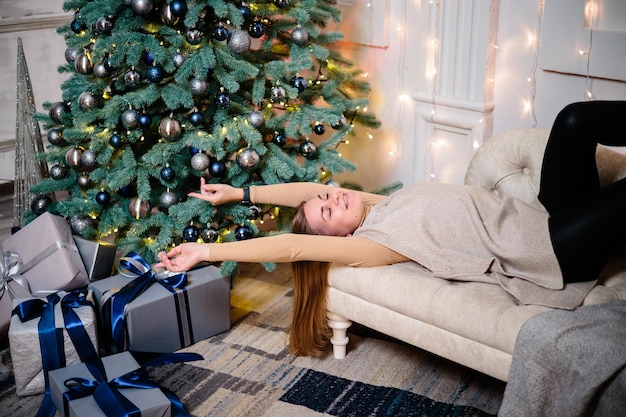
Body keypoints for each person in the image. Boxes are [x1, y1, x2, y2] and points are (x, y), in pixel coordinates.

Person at [156, 101, 626, 357]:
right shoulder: (374, 244)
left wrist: (241, 194)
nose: (330, 197)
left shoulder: (381, 205)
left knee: (574, 119)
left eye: (325, 195)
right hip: (553, 251)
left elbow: (303, 193)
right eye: (326, 212)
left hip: (542, 215)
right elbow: (295, 246)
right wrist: (207, 252)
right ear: (338, 240)